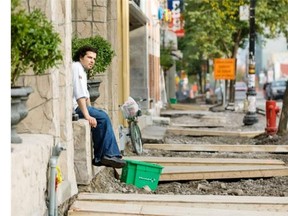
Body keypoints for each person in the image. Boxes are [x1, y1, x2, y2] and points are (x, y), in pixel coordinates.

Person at [72, 45, 126, 168]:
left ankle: (104, 156)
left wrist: (91, 111)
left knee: (101, 115)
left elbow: (86, 97)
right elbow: (79, 95)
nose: (92, 61)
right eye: (89, 57)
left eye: (94, 59)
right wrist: (87, 115)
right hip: (74, 109)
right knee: (103, 118)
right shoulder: (76, 67)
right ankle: (106, 155)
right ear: (81, 57)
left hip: (79, 107)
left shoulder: (81, 70)